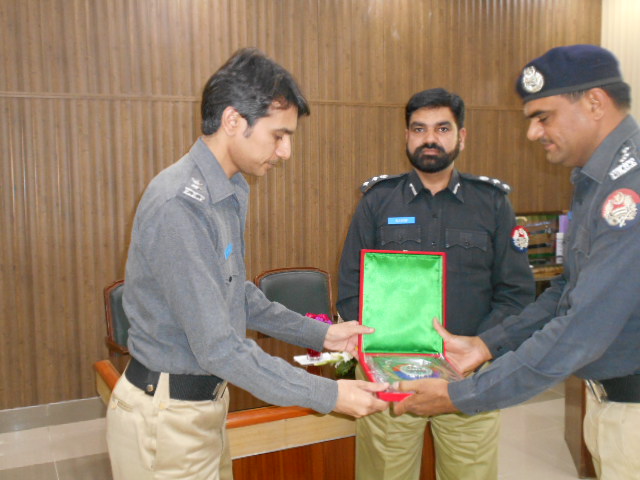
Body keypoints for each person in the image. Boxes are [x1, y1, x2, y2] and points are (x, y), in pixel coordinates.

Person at [105, 48, 389, 480]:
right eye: (279, 135)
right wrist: (329, 394)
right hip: (166, 419)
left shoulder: (230, 189)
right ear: (233, 120)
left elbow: (237, 294)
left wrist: (323, 333)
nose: (286, 151)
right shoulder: (179, 204)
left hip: (204, 407)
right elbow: (219, 347)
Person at [394, 45, 640, 479]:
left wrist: (462, 395)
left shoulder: (629, 189)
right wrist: (486, 345)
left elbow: (581, 329)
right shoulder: (596, 180)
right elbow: (567, 290)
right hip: (611, 404)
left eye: (543, 117)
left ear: (594, 103)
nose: (532, 132)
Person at [337, 88, 535, 480]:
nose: (430, 138)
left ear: (462, 136)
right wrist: (375, 353)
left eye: (442, 128)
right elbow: (351, 285)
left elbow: (516, 293)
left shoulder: (493, 203)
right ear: (406, 136)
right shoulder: (378, 201)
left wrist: (481, 349)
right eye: (419, 129)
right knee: (384, 473)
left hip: (470, 376)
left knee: (470, 474)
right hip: (389, 372)